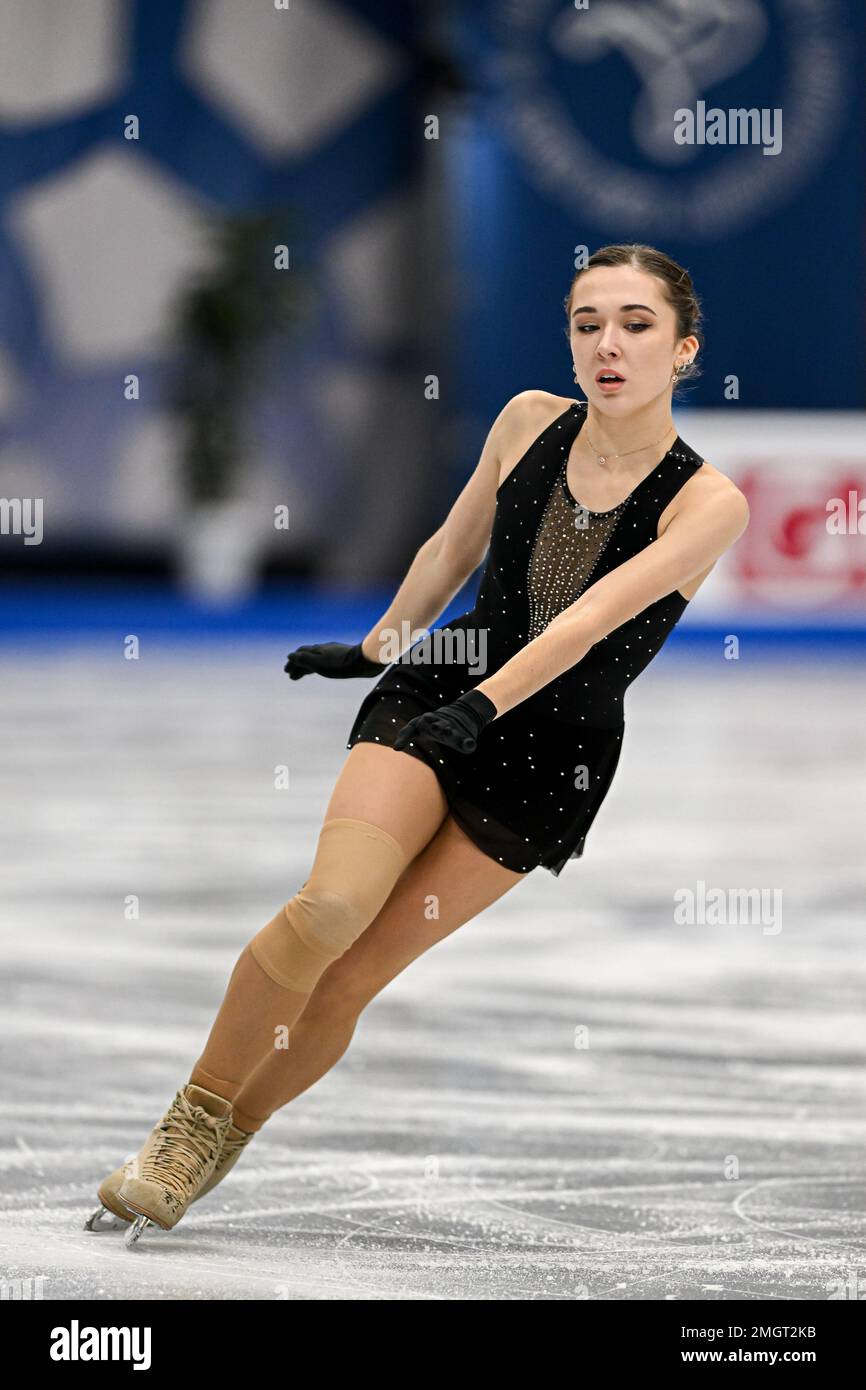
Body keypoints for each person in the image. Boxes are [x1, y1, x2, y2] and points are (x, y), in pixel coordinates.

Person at [86, 242, 749, 1246]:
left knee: (353, 976)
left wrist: (487, 709)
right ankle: (182, 1127)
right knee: (332, 908)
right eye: (586, 323)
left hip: (543, 756)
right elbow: (451, 549)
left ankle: (225, 1139)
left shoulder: (708, 503)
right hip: (438, 691)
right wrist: (377, 647)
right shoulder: (526, 420)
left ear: (683, 348)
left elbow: (582, 626)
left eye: (634, 324)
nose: (606, 345)